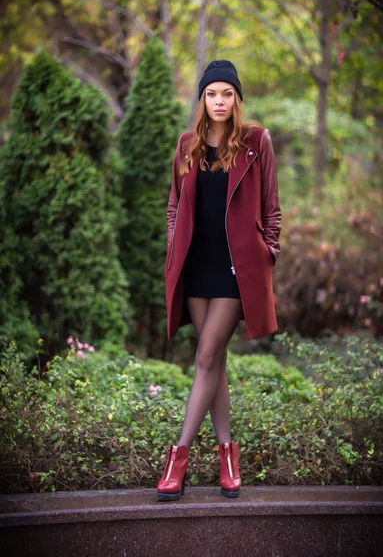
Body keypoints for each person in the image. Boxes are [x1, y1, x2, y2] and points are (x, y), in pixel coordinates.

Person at [157, 60, 282, 501]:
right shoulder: (186, 144)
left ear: (237, 99)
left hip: (235, 268)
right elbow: (174, 206)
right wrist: (174, 251)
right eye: (212, 94)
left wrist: (267, 254)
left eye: (227, 94)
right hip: (195, 266)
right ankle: (229, 457)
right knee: (215, 362)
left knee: (207, 357)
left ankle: (179, 456)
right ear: (202, 99)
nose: (220, 102)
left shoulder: (255, 142)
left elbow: (272, 209)